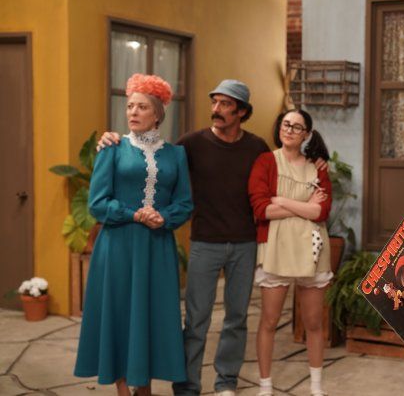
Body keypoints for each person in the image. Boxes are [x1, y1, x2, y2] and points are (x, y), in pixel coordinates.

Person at [97, 80, 327, 396]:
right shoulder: (190, 144)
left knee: (236, 318)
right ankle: (187, 386)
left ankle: (226, 382)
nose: (216, 109)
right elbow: (154, 159)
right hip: (204, 242)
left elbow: (285, 168)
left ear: (241, 112)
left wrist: (317, 162)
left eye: (225, 104)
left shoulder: (257, 148)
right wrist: (112, 140)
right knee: (196, 320)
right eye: (214, 102)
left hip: (245, 243)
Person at [74, 74, 193, 396]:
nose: (133, 112)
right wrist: (134, 214)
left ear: (157, 114)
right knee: (120, 315)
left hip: (157, 247)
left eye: (141, 107)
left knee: (151, 317)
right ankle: (123, 390)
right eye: (129, 106)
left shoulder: (176, 155)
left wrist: (164, 217)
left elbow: (185, 203)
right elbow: (97, 204)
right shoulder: (112, 149)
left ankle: (146, 389)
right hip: (118, 246)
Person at [248, 109, 332, 396]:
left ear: (306, 134)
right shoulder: (265, 162)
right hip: (276, 248)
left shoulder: (318, 167)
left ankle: (316, 387)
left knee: (313, 322)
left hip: (312, 249)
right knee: (269, 321)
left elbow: (321, 211)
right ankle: (265, 386)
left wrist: (282, 201)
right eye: (286, 124)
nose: (290, 130)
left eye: (297, 127)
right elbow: (261, 209)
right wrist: (305, 205)